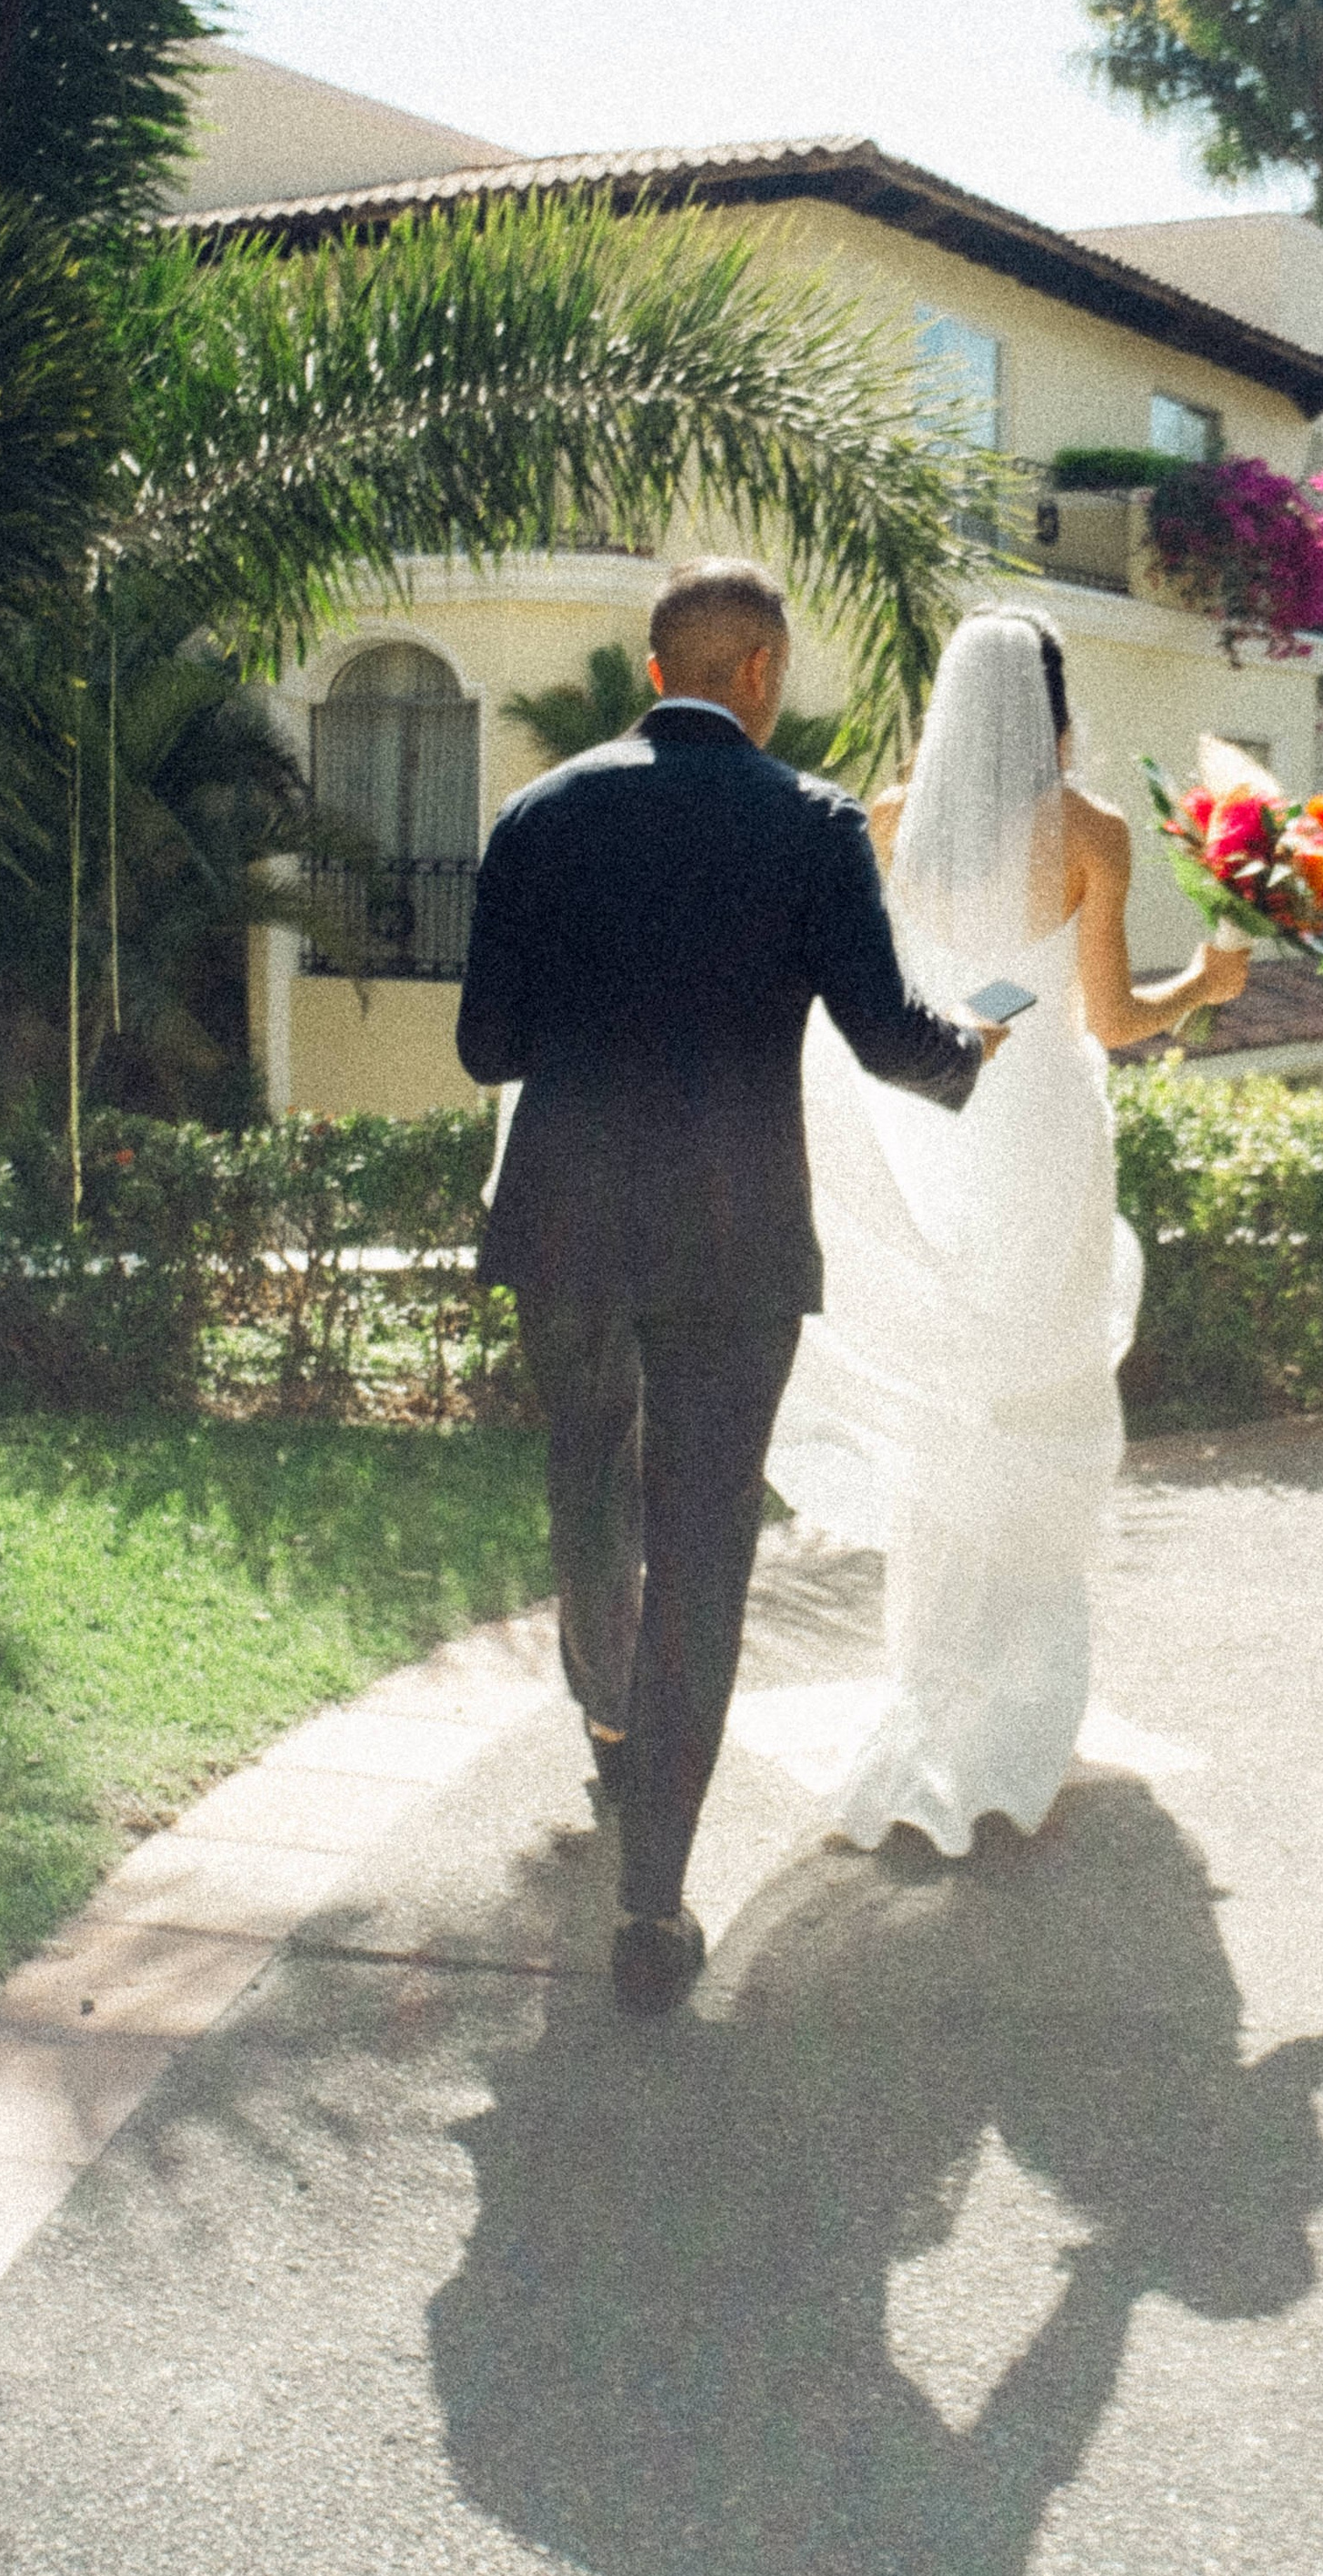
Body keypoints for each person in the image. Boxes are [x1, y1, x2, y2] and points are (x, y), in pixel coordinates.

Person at [455, 558, 1003, 2017]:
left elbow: (487, 1050)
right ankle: (652, 1907)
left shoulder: (539, 813)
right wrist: (972, 1050)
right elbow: (890, 1039)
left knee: (589, 1485)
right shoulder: (811, 821)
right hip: (731, 1236)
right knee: (702, 1547)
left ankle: (608, 1721)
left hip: (567, 1221)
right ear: (759, 672)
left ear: (654, 671)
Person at [758, 605, 1249, 1854]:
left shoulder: (883, 823)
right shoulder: (1090, 832)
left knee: (950, 1410)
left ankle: (932, 1687)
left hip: (933, 1129)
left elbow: (922, 1002)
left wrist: (986, 1016)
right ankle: (1015, 1710)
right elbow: (1114, 1016)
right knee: (1032, 1401)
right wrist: (1208, 982)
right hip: (1034, 1138)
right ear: (1047, 703)